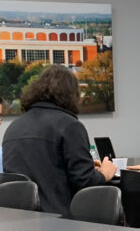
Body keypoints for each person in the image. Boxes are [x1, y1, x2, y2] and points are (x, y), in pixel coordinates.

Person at [2, 65, 117, 216]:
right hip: (58, 220)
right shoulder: (70, 126)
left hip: (17, 220)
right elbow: (86, 182)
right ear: (72, 94)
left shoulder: (13, 128)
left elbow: (42, 170)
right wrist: (104, 173)